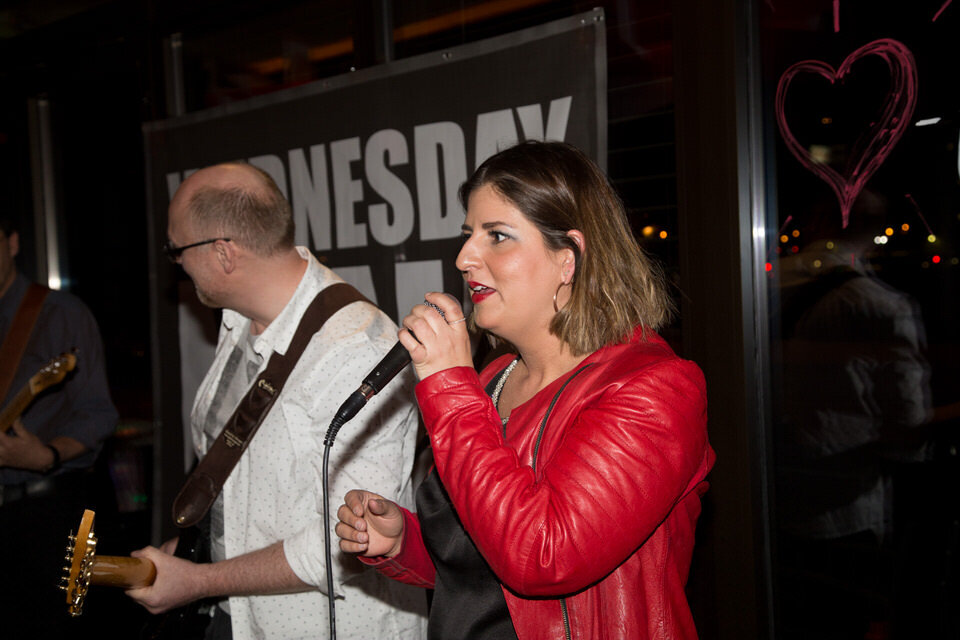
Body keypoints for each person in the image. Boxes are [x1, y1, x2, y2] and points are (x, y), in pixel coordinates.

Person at [336, 141, 714, 639]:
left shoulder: (654, 389)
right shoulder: (493, 379)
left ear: (568, 259)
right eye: (468, 235)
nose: (464, 258)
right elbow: (482, 564)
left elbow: (542, 557)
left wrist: (450, 388)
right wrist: (404, 542)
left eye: (497, 236)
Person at [126, 163, 427, 639]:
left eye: (176, 249)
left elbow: (345, 543)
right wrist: (195, 554)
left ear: (223, 253)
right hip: (236, 615)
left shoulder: (355, 349)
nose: (177, 263)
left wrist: (199, 582)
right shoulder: (240, 318)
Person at [0, 214, 118, 636]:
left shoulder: (60, 314)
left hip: (46, 512)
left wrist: (47, 455)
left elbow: (98, 414)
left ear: (13, 243)